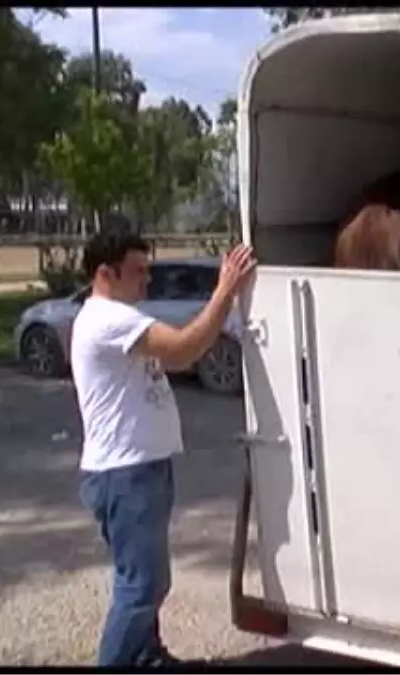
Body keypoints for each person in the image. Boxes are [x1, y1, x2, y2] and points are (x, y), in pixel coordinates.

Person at [70, 232, 256, 666]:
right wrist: (225, 291)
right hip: (125, 472)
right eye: (138, 270)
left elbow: (183, 335)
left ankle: (146, 657)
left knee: (139, 580)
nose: (147, 279)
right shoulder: (106, 319)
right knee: (143, 586)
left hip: (136, 469)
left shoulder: (115, 316)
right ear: (105, 273)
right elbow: (183, 351)